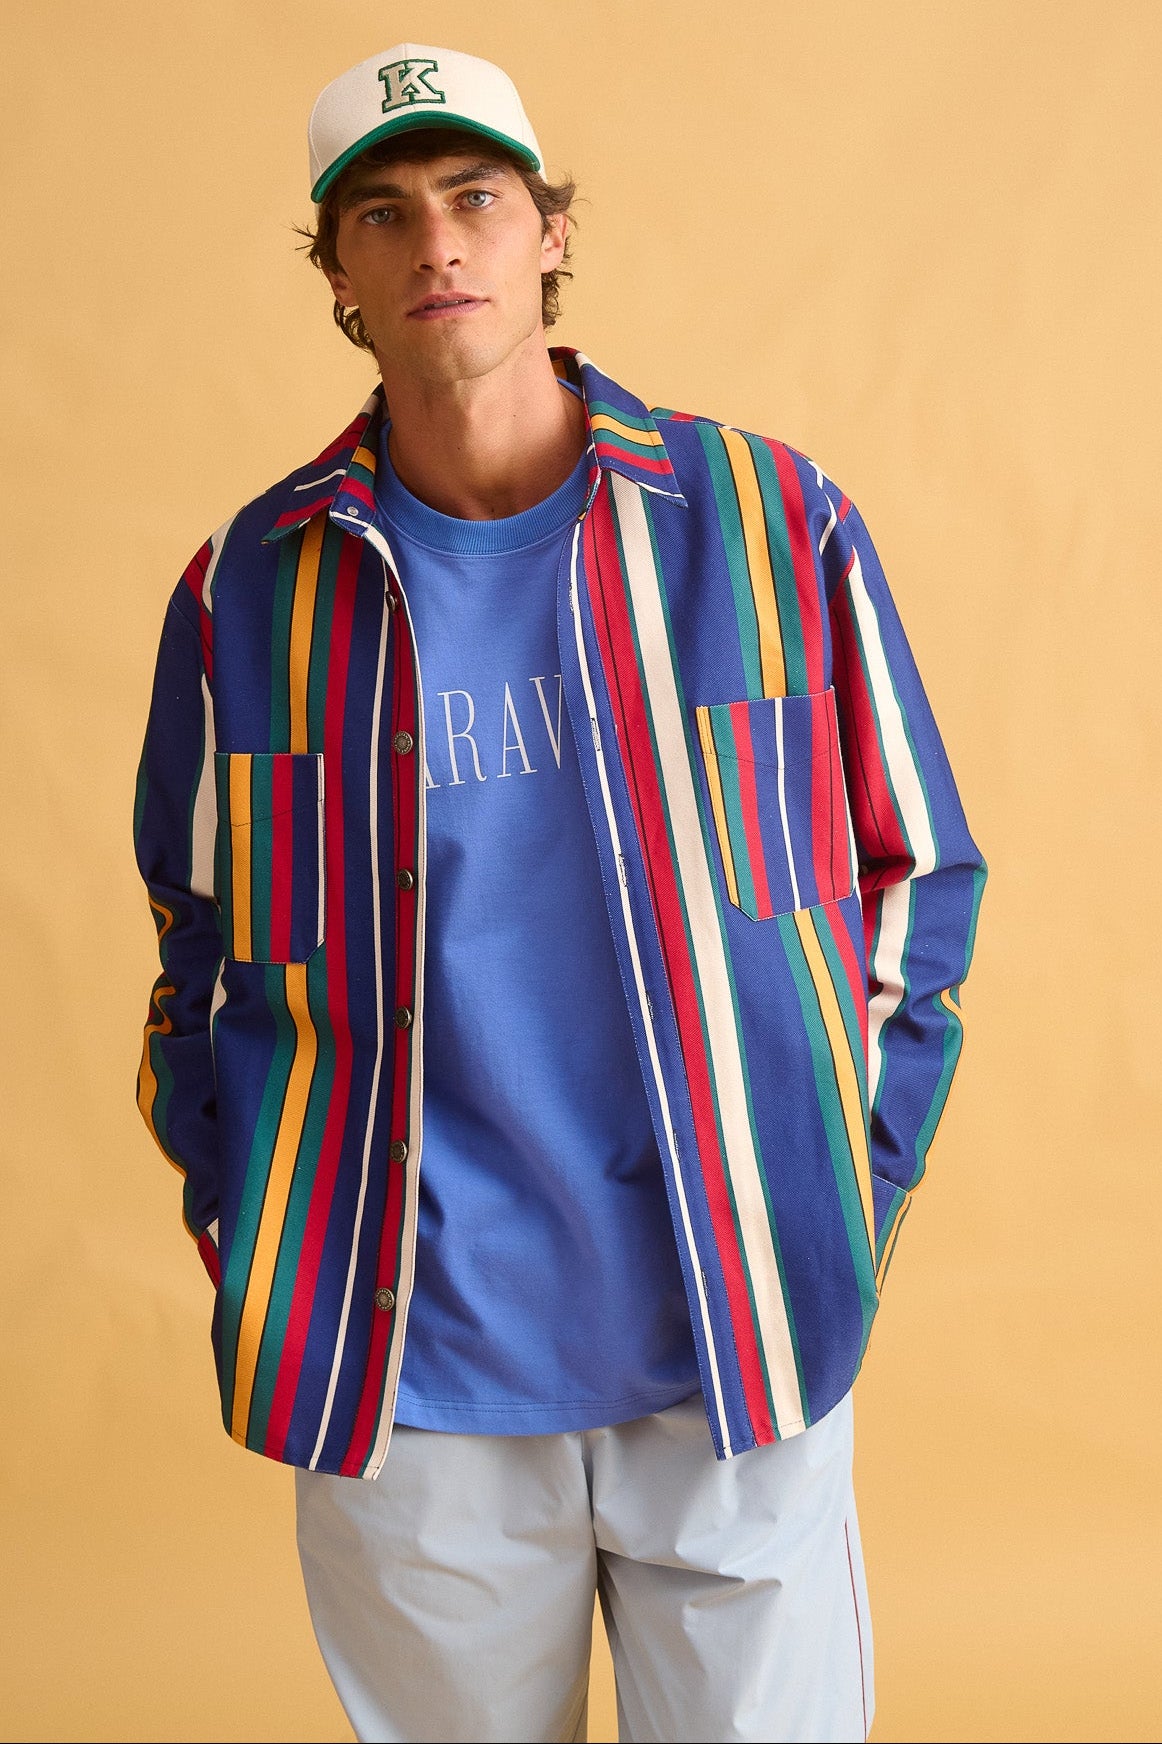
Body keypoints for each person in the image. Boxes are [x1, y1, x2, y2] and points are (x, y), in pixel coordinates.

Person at [134, 40, 986, 1744]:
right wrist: (259, 1242)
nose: (436, 241)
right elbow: (198, 954)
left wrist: (842, 1195)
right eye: (383, 215)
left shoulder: (768, 522)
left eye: (476, 197)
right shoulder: (252, 588)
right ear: (337, 274)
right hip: (408, 1377)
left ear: (550, 235)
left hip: (735, 1330)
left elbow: (915, 873)